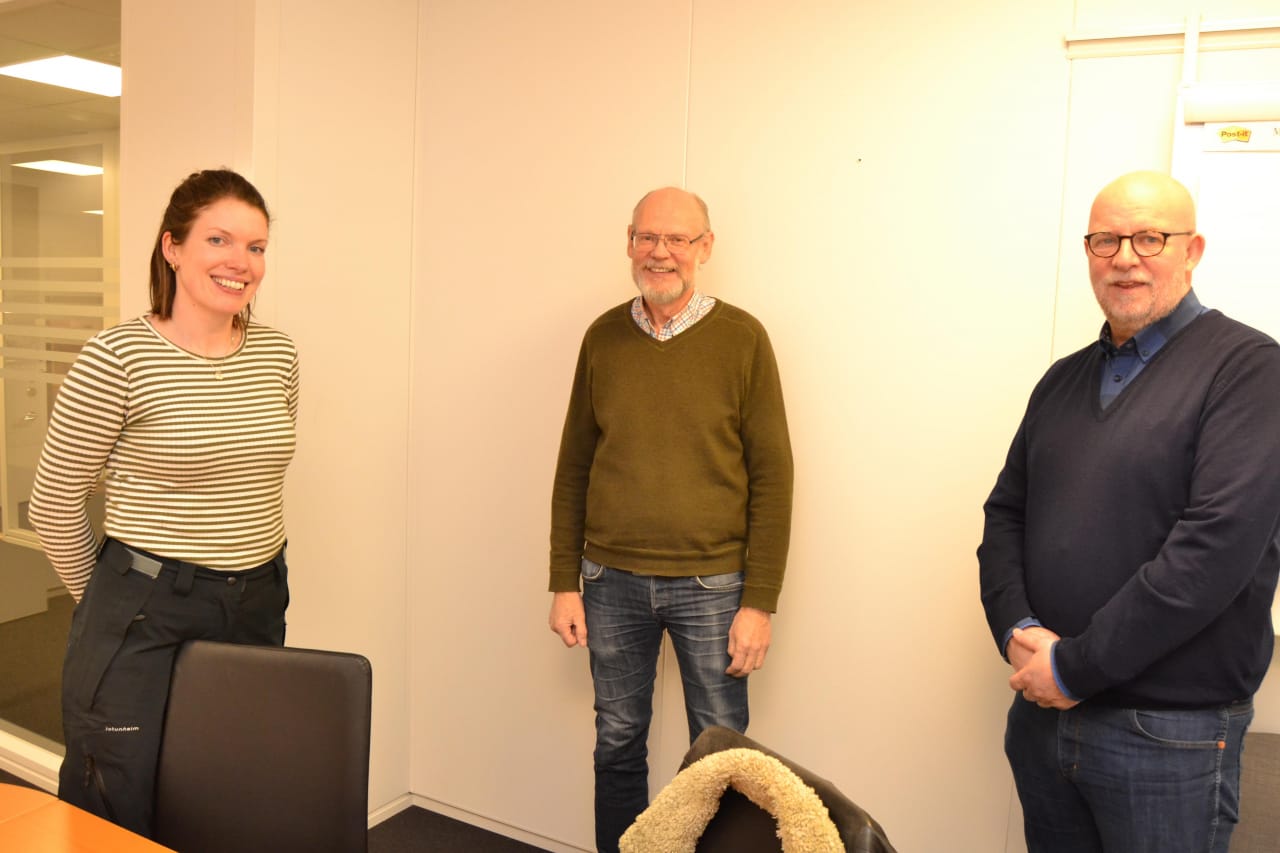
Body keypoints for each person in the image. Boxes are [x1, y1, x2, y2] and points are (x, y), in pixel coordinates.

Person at [978, 170, 1280, 852]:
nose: (1124, 258)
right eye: (1106, 240)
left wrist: (1074, 667)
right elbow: (1005, 515)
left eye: (1149, 238)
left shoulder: (1249, 370)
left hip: (1168, 734)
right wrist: (1018, 629)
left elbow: (1213, 552)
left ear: (1192, 251)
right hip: (1043, 720)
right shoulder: (1061, 380)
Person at [28, 169, 299, 838]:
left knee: (230, 786)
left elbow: (255, 473)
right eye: (219, 239)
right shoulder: (118, 356)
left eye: (256, 247)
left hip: (258, 598)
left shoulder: (277, 354)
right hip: (143, 602)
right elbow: (53, 502)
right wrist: (108, 602)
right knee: (116, 801)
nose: (241, 262)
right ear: (172, 247)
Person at [547, 187, 794, 852]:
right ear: (629, 243)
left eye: (678, 238)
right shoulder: (602, 337)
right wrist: (564, 581)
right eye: (647, 237)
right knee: (617, 742)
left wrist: (759, 602)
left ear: (704, 248)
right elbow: (573, 467)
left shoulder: (743, 339)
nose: (660, 252)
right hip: (609, 581)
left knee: (722, 758)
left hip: (714, 587)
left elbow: (774, 478)